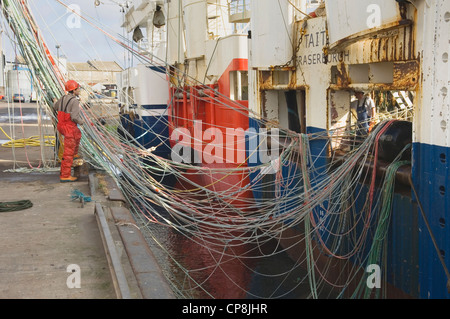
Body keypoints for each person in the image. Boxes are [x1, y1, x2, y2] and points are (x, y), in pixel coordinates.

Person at [54, 80, 83, 182]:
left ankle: (75, 153)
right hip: (68, 127)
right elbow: (74, 117)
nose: (79, 90)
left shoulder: (62, 98)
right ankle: (65, 176)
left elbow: (55, 106)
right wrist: (81, 121)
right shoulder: (74, 101)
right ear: (74, 90)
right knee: (68, 153)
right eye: (78, 89)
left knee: (78, 135)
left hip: (62, 125)